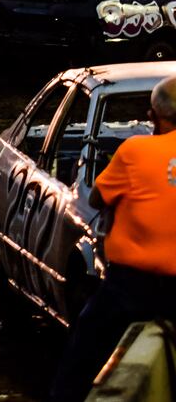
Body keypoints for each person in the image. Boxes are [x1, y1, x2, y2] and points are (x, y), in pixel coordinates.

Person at [49, 76, 176, 402]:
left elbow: (96, 199)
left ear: (153, 116)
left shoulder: (134, 150)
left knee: (83, 349)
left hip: (134, 286)